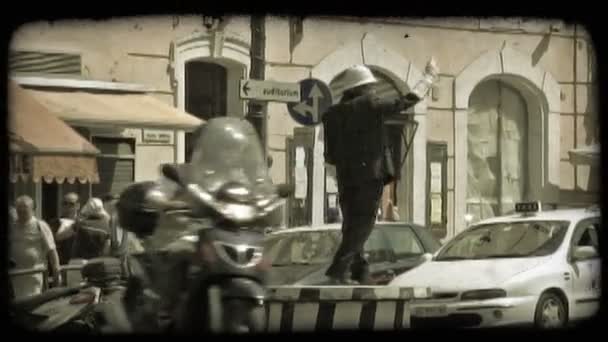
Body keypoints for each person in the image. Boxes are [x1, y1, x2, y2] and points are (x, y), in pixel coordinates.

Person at [322, 59, 439, 284]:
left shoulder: (332, 114)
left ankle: (360, 272)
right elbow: (405, 101)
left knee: (351, 225)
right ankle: (337, 271)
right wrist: (428, 79)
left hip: (345, 177)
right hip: (369, 176)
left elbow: (330, 154)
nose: (374, 89)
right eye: (370, 86)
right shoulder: (368, 105)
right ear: (361, 88)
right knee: (363, 225)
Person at [10, 195, 61, 298]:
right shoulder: (13, 227)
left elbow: (52, 251)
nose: (21, 212)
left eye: (25, 209)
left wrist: (56, 272)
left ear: (32, 210)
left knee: (32, 304)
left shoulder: (40, 225)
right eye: (19, 209)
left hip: (34, 275)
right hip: (16, 276)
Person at [51, 192, 81, 264]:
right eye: (65, 203)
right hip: (61, 263)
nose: (68, 206)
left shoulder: (83, 223)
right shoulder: (54, 223)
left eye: (71, 204)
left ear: (78, 205)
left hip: (77, 263)